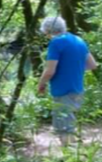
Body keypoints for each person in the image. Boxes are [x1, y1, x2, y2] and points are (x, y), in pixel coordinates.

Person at [36, 16, 98, 144]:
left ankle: (72, 160)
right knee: (70, 124)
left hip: (63, 90)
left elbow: (49, 71)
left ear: (48, 30)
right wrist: (72, 69)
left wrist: (41, 85)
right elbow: (92, 65)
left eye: (46, 33)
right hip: (77, 89)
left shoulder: (56, 42)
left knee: (64, 128)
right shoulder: (78, 40)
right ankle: (73, 158)